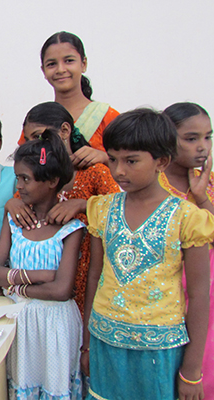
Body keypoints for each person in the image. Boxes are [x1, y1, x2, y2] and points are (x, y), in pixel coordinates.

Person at [82, 109, 214, 400]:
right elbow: (95, 275)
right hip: (106, 342)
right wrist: (87, 344)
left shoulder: (187, 218)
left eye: (131, 161)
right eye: (113, 159)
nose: (118, 171)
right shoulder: (101, 210)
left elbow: (200, 294)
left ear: (161, 162)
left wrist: (192, 371)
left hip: (161, 349)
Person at [0, 132, 85, 400]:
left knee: (55, 385)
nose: (19, 185)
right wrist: (40, 276)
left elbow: (61, 291)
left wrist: (15, 287)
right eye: (18, 177)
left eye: (25, 179)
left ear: (53, 181)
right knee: (23, 384)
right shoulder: (15, 221)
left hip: (56, 326)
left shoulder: (71, 227)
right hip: (21, 323)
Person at [7, 102, 120, 315]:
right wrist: (11, 203)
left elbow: (122, 209)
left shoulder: (95, 172)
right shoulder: (33, 179)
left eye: (39, 136)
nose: (35, 145)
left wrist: (84, 205)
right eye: (30, 139)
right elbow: (19, 203)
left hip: (91, 274)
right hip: (45, 286)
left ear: (65, 131)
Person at [160, 102, 214, 398]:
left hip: (204, 300)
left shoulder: (208, 186)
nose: (202, 147)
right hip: (166, 301)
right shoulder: (153, 186)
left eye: (208, 137)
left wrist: (202, 197)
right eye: (191, 139)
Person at [18, 32, 119, 168]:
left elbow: (132, 163)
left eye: (69, 61)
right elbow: (24, 166)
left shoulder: (107, 117)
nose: (60, 69)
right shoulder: (37, 120)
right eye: (52, 64)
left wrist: (104, 157)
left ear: (83, 64)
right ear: (43, 71)